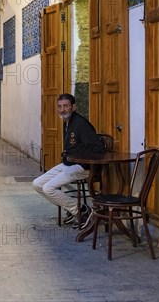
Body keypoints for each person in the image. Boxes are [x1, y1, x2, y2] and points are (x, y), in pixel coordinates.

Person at [32, 93, 106, 229]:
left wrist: (77, 157)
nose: (62, 110)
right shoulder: (68, 122)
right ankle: (73, 209)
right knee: (37, 184)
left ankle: (82, 211)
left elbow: (99, 148)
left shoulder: (81, 124)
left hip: (83, 167)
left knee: (49, 188)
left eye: (66, 106)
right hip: (69, 164)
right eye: (59, 107)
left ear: (74, 107)